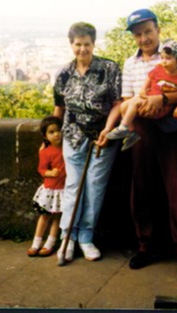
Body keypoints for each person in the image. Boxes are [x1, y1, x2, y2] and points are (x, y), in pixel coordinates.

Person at [120, 9, 177, 276]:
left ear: (158, 31)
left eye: (148, 32)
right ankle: (145, 245)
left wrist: (162, 100)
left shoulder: (174, 54)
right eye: (138, 34)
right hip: (142, 129)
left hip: (172, 130)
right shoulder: (130, 64)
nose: (144, 38)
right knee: (141, 187)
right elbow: (126, 99)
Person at [53, 21, 123, 265]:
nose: (82, 49)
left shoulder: (109, 69)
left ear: (94, 44)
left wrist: (108, 129)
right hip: (72, 136)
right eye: (78, 44)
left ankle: (86, 236)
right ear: (71, 44)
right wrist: (50, 136)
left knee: (95, 186)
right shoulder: (64, 73)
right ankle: (68, 237)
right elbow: (59, 106)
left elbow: (117, 103)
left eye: (87, 44)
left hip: (102, 137)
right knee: (73, 185)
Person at [107, 39, 177, 151]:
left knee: (134, 102)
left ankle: (123, 127)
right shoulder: (159, 68)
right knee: (124, 106)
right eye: (162, 58)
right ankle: (131, 132)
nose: (163, 61)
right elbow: (150, 77)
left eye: (168, 59)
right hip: (146, 105)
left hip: (163, 110)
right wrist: (143, 90)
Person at [28, 115, 65, 257]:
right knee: (44, 216)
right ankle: (36, 242)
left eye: (58, 130)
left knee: (57, 217)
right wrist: (50, 173)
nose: (56, 134)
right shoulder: (45, 152)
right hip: (50, 189)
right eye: (51, 132)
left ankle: (50, 242)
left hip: (62, 189)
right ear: (45, 135)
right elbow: (41, 170)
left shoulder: (66, 149)